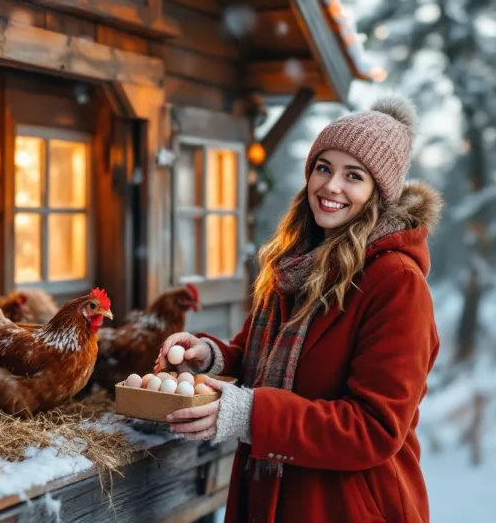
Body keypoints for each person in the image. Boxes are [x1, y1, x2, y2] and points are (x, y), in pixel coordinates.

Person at [156, 96, 442, 523]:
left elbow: (374, 428)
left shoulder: (396, 283)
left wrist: (251, 414)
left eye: (354, 176)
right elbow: (260, 358)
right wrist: (211, 357)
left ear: (379, 193)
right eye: (323, 167)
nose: (331, 186)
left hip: (345, 506)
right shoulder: (294, 264)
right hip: (271, 493)